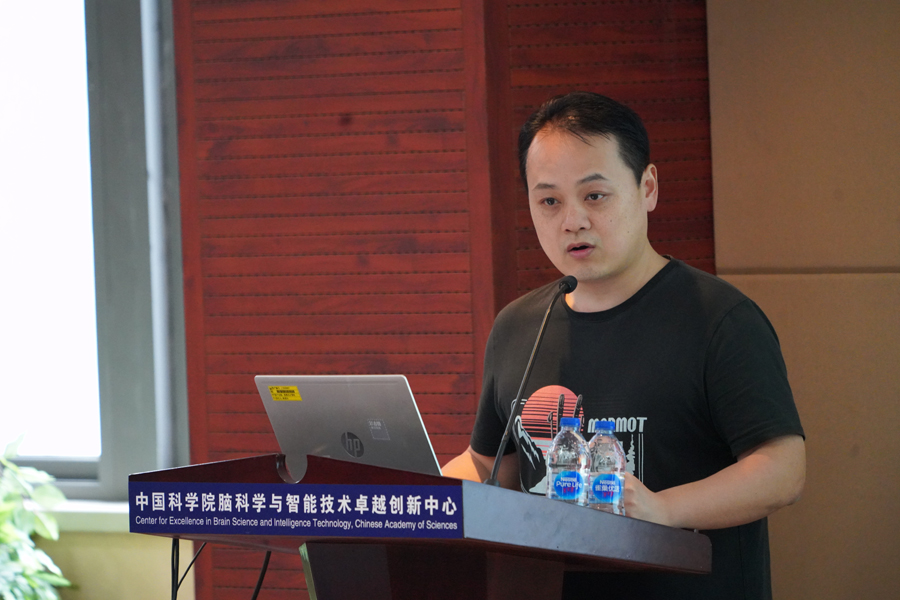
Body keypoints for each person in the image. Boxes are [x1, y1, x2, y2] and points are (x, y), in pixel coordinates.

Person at [442, 91, 806, 599]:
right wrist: (413, 500)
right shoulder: (519, 325)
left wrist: (663, 509)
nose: (572, 220)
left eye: (594, 196)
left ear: (647, 187)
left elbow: (782, 470)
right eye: (549, 201)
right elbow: (490, 466)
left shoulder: (720, 319)